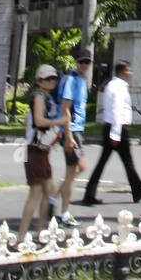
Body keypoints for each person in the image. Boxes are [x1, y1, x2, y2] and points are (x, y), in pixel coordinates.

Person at [81, 61, 141, 206]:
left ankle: (138, 190)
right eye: (128, 70)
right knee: (126, 162)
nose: (130, 73)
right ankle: (138, 190)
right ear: (122, 71)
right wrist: (116, 134)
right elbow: (117, 110)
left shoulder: (115, 85)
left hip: (112, 128)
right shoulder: (118, 87)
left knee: (109, 163)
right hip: (117, 129)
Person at [18, 64, 62, 241]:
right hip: (35, 149)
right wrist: (61, 121)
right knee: (35, 193)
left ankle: (39, 231)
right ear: (39, 81)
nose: (51, 81)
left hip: (42, 150)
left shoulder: (46, 96)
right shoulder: (38, 97)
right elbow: (39, 120)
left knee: (48, 190)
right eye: (47, 79)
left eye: (53, 78)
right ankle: (22, 236)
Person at [56, 45, 93, 227]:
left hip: (77, 130)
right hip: (71, 130)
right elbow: (65, 108)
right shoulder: (71, 80)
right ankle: (63, 213)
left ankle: (54, 199)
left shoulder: (81, 80)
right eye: (82, 61)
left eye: (88, 62)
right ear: (76, 62)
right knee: (72, 171)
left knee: (79, 168)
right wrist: (68, 135)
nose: (85, 65)